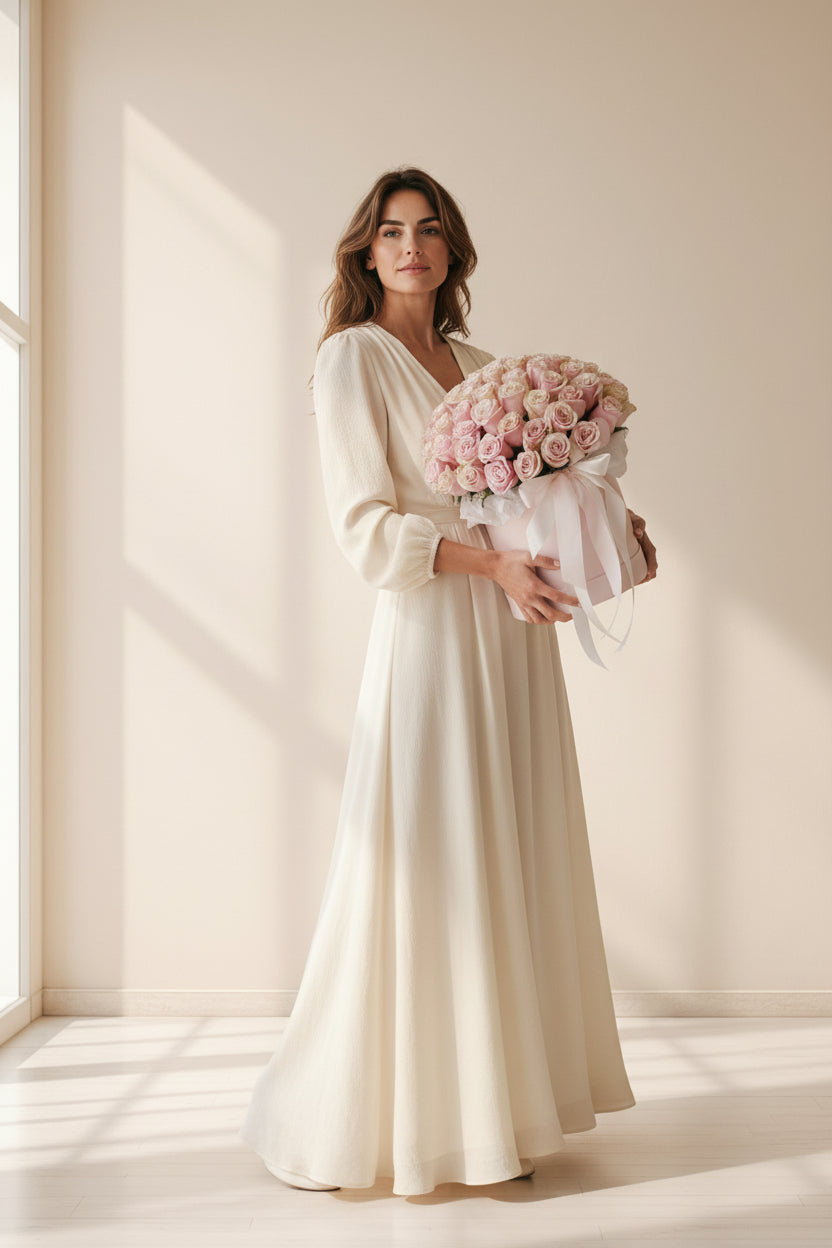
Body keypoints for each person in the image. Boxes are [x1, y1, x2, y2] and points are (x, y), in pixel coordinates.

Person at [238, 166, 658, 1198]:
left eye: (427, 230)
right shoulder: (351, 360)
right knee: (432, 856)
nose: (410, 246)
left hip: (514, 634)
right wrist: (489, 565)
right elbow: (364, 525)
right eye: (390, 232)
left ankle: (497, 1117)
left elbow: (527, 501)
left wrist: (606, 530)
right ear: (365, 252)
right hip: (433, 631)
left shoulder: (480, 364)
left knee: (506, 847)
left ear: (452, 249)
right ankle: (407, 1119)